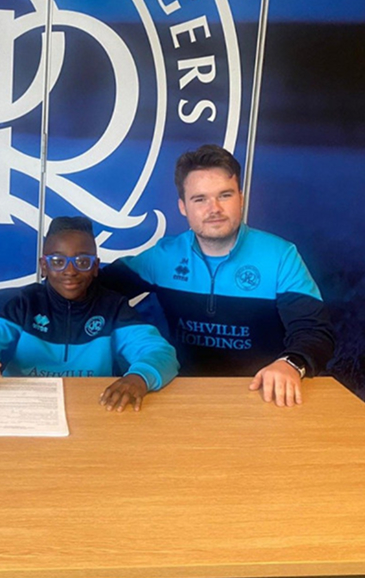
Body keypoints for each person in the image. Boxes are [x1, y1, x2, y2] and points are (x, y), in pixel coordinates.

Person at [101, 144, 334, 408]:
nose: (214, 208)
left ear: (241, 198)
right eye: (200, 199)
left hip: (261, 395)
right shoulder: (162, 256)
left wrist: (290, 364)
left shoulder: (281, 256)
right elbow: (93, 289)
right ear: (183, 207)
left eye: (225, 195)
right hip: (179, 394)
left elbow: (315, 331)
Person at [0, 216, 179, 412]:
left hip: (94, 407)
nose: (70, 271)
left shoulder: (114, 308)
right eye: (58, 261)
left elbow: (162, 354)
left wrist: (138, 378)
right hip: (23, 408)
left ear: (95, 267)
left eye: (82, 261)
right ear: (44, 266)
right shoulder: (23, 304)